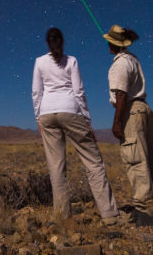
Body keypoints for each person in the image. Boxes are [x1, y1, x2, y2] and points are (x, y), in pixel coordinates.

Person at [32, 27, 121, 224]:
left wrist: (38, 118)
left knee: (56, 166)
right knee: (93, 161)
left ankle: (63, 217)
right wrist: (87, 120)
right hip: (70, 110)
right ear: (62, 42)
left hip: (47, 113)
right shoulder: (71, 60)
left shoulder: (39, 62)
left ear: (47, 43)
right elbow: (78, 91)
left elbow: (36, 93)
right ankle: (109, 214)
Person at [104, 24, 153, 222]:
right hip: (144, 109)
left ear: (113, 44)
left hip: (131, 110)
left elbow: (121, 94)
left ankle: (144, 207)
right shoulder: (133, 59)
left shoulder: (120, 64)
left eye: (109, 41)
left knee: (135, 157)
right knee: (148, 156)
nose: (107, 44)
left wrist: (117, 122)